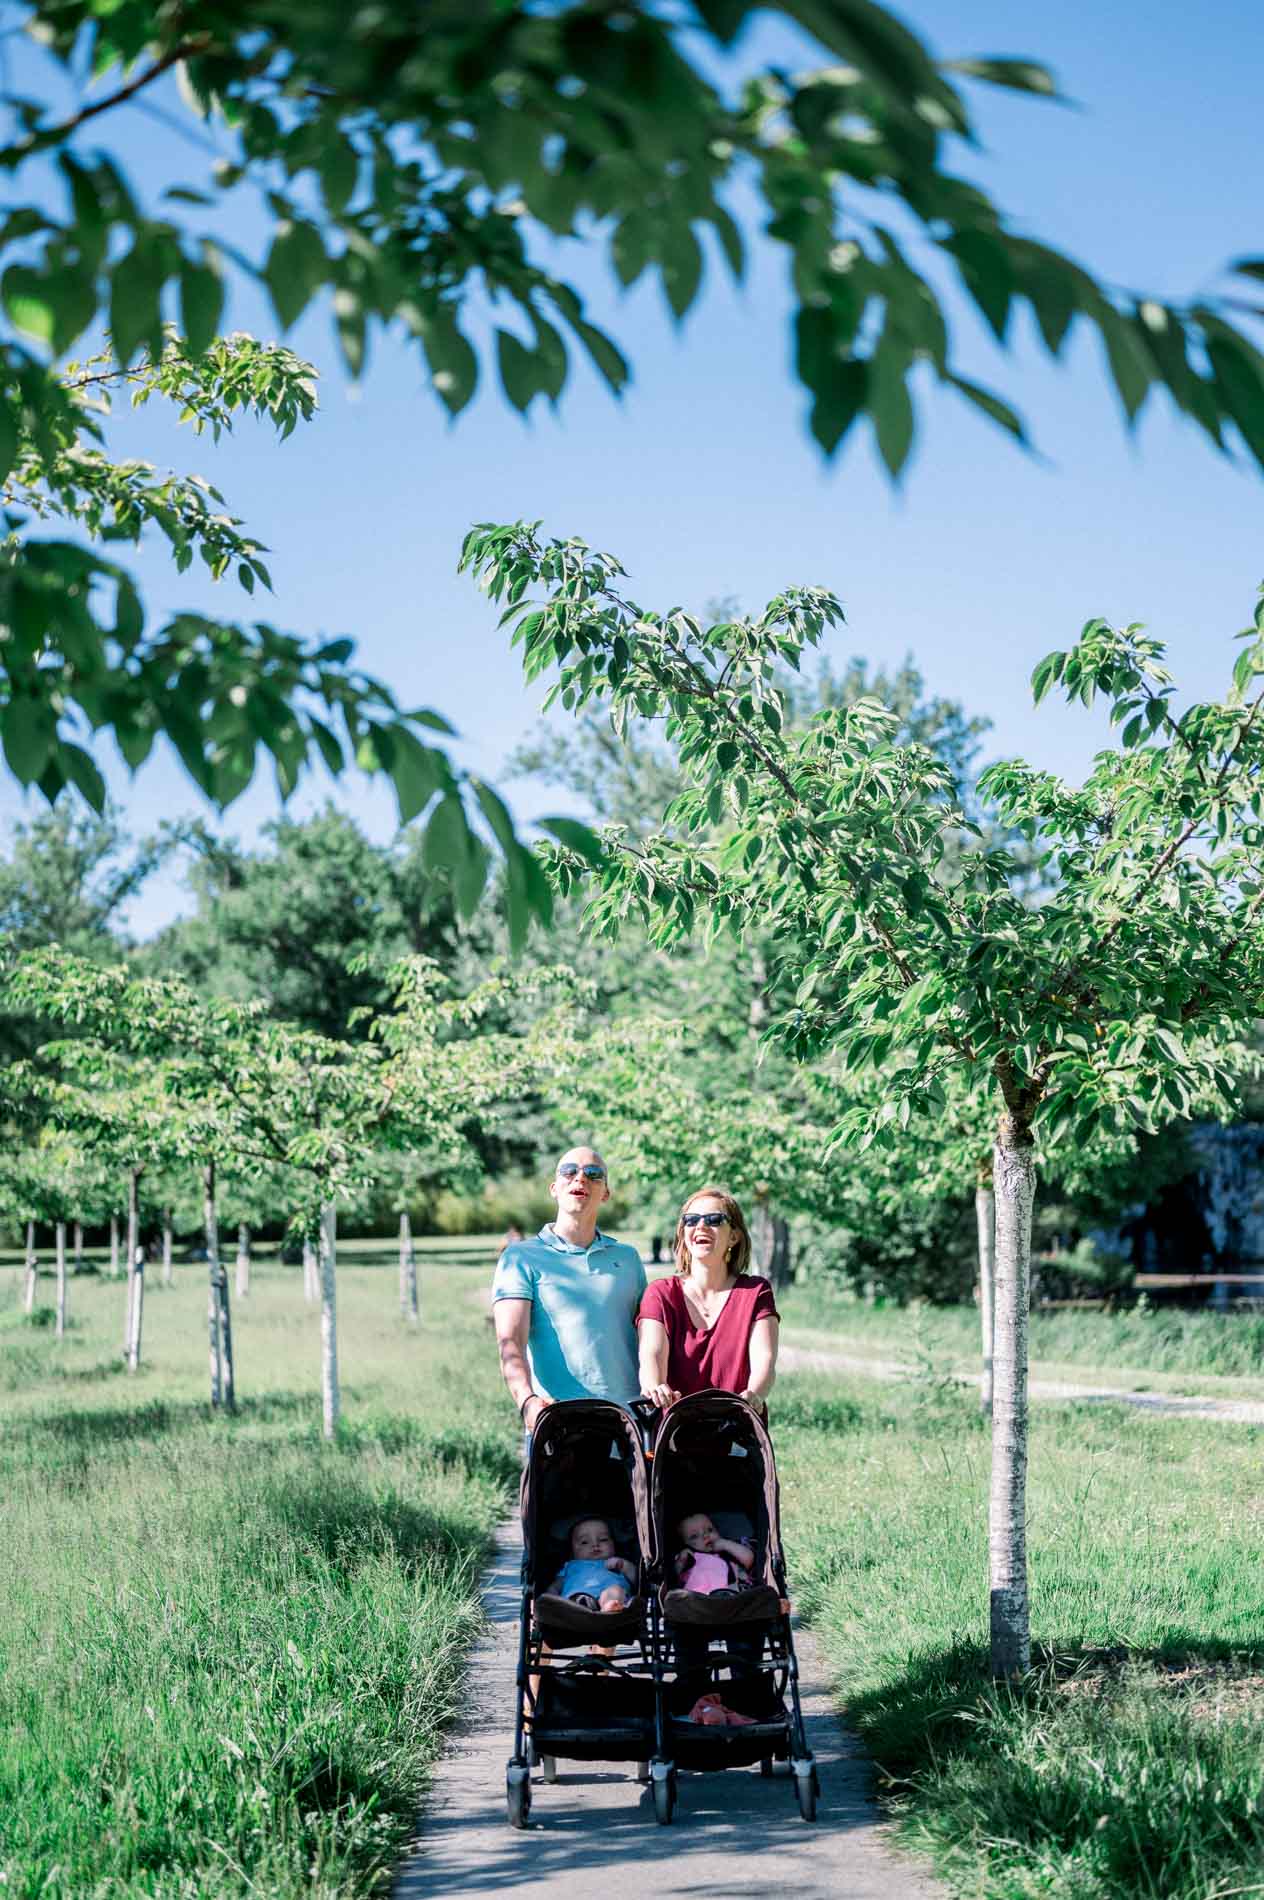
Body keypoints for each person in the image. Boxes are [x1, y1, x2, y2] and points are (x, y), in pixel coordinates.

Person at [493, 1146, 646, 1435]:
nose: (580, 1179)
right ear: (554, 1187)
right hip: (558, 1421)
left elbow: (649, 1337)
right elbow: (510, 1341)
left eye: (593, 1174)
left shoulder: (628, 1258)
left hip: (628, 1422)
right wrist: (526, 1400)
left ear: (605, 1193)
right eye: (569, 1171)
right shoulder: (520, 1258)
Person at [636, 1186, 780, 1413]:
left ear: (734, 1236)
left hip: (737, 1429)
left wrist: (754, 1395)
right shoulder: (660, 1293)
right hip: (673, 1433)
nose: (700, 1226)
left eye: (714, 1219)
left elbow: (765, 1359)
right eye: (691, 1220)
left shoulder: (755, 1292)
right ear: (683, 1232)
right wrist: (655, 1386)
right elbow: (651, 1353)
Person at [549, 1517, 637, 1613]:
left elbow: (636, 1579)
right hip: (576, 1600)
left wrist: (624, 1566)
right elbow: (556, 1586)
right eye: (584, 1542)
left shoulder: (616, 1563)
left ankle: (610, 1607)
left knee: (616, 1591)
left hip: (610, 1595)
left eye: (603, 1539)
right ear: (572, 1551)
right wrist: (551, 1596)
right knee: (576, 1598)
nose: (595, 1544)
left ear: (613, 1543)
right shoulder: (570, 1566)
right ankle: (579, 1609)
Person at [674, 1511, 754, 1595]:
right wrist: (681, 1559)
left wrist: (725, 1544)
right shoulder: (688, 1558)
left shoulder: (727, 1551)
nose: (705, 1536)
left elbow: (749, 1559)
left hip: (732, 1596)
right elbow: (675, 1576)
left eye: (709, 1530)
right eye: (694, 1536)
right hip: (698, 1600)